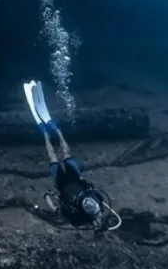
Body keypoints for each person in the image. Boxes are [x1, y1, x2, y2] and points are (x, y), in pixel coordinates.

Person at [23, 80, 121, 232]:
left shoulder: (76, 219)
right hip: (75, 178)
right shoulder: (99, 203)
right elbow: (94, 189)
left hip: (61, 184)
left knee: (54, 158)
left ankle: (45, 132)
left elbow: (51, 202)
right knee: (65, 155)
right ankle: (55, 130)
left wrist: (52, 204)